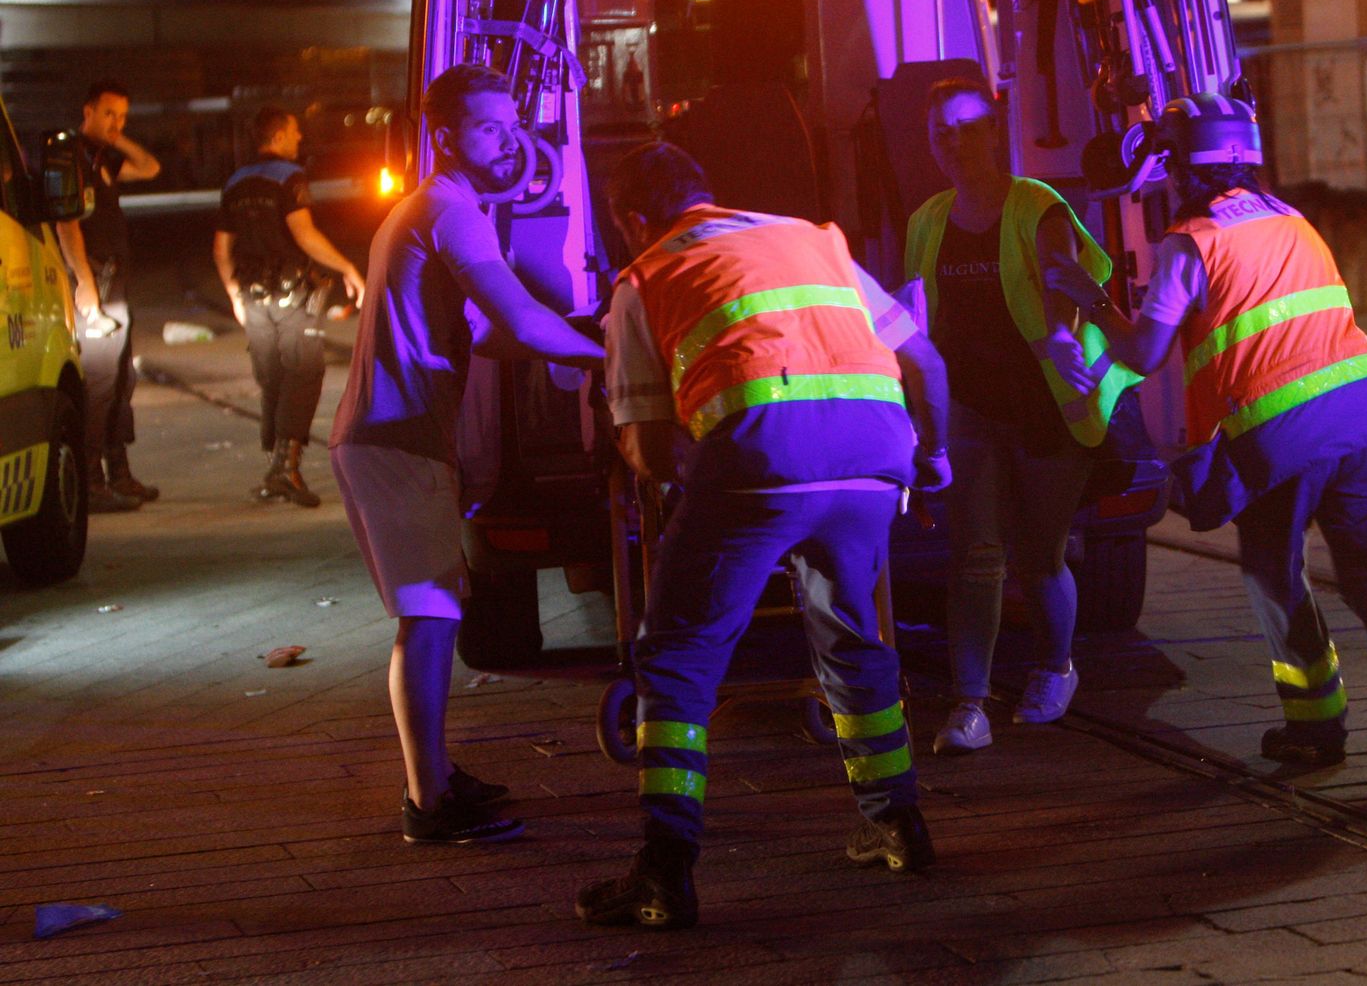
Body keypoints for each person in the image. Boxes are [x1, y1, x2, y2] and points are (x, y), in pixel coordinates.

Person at [578, 142, 951, 931]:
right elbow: (926, 363)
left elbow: (650, 452)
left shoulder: (644, 277)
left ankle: (664, 869)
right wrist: (935, 458)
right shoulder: (815, 241)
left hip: (759, 459)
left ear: (634, 220)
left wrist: (679, 470)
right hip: (875, 456)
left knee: (677, 657)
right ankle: (898, 823)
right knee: (853, 638)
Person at [1048, 92, 1367, 779]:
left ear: (1181, 167)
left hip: (1283, 437)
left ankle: (1315, 725)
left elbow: (1142, 352)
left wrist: (1092, 297)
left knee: (1272, 572)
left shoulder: (1191, 242)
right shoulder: (1292, 221)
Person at [329, 64, 605, 844]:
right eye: (489, 127)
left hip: (396, 434)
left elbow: (484, 334)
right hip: (396, 437)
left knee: (434, 611)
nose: (511, 140)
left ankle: (438, 776)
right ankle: (429, 804)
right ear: (447, 136)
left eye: (513, 124)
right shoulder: (450, 211)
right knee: (429, 616)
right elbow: (516, 321)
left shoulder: (434, 208)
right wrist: (605, 351)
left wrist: (569, 337)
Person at [902, 78, 1136, 756]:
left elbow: (1063, 277)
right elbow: (916, 317)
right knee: (974, 555)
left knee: (1040, 554)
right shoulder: (927, 220)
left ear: (994, 129)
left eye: (967, 127)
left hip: (1046, 408)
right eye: (941, 132)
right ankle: (969, 703)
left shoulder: (1036, 206)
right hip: (969, 409)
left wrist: (1061, 335)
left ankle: (1054, 667)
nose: (954, 142)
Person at [214, 105, 366, 507]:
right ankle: (288, 470)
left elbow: (221, 248)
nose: (299, 138)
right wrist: (348, 267)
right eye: (295, 131)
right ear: (278, 135)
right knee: (303, 373)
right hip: (291, 297)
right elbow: (305, 235)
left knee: (272, 379)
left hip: (253, 297)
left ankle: (274, 469)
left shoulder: (235, 181)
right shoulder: (289, 177)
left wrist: (234, 295)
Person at [55, 79, 162, 513]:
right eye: (109, 114)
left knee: (120, 381)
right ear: (88, 111)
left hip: (113, 282)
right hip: (93, 284)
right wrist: (83, 283)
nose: (117, 123)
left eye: (122, 117)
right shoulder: (72, 158)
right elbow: (66, 223)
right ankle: (91, 482)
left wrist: (117, 137)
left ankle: (119, 473)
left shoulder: (102, 158)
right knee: (98, 384)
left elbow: (150, 167)